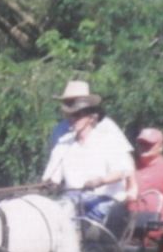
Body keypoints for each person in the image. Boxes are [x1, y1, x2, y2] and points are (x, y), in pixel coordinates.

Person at [42, 81, 137, 224]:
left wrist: (101, 181)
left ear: (91, 117)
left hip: (104, 198)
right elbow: (52, 177)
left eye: (77, 115)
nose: (72, 119)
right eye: (69, 114)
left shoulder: (108, 135)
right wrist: (49, 184)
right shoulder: (62, 142)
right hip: (71, 199)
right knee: (52, 218)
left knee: (86, 220)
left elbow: (124, 169)